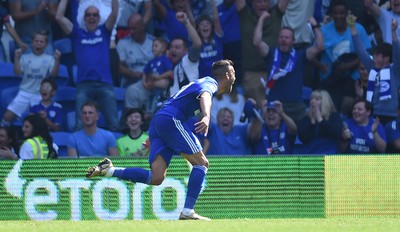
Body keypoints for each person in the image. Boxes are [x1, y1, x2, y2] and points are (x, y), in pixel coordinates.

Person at [86, 59, 236, 220]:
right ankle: (187, 212)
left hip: (161, 121)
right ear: (227, 75)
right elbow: (205, 95)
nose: (235, 75)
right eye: (234, 72)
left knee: (156, 177)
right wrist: (206, 116)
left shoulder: (200, 82)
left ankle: (109, 170)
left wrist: (158, 133)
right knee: (202, 163)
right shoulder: (210, 83)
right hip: (170, 120)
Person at [56, 0, 119, 131]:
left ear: (99, 18)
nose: (91, 17)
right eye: (88, 15)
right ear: (84, 18)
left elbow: (114, 13)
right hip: (84, 86)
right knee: (80, 125)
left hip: (105, 84)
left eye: (95, 15)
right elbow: (59, 17)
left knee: (113, 124)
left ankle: (115, 152)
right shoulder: (77, 34)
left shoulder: (104, 32)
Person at [253, 14, 324, 123]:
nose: (283, 40)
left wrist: (315, 26)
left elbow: (320, 46)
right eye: (281, 37)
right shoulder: (271, 53)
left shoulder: (301, 55)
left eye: (287, 37)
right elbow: (257, 43)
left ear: (293, 41)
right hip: (274, 104)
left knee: (306, 131)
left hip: (296, 106)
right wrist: (261, 19)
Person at [318, 0, 371, 115]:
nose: (338, 16)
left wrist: (348, 66)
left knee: (348, 104)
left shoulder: (359, 28)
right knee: (328, 109)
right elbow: (314, 53)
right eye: (335, 13)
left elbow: (366, 55)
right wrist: (319, 65)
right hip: (330, 77)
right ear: (330, 14)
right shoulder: (324, 31)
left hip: (352, 77)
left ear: (347, 13)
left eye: (342, 13)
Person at [235, 0, 289, 108]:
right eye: (259, 1)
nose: (263, 4)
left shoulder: (276, 14)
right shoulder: (245, 14)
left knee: (275, 112)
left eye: (266, 1)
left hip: (274, 73)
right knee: (257, 116)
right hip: (252, 75)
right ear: (252, 3)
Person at [1, 31, 61, 127]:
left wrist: (57, 60)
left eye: (42, 42)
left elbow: (54, 75)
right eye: (36, 41)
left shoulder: (50, 58)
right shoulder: (24, 57)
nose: (39, 43)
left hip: (40, 95)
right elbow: (17, 73)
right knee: (8, 116)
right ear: (32, 43)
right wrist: (16, 58)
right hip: (25, 92)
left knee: (37, 121)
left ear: (46, 45)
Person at [350, 15, 400, 125]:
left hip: (391, 116)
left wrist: (393, 31)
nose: (374, 56)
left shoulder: (395, 72)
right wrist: (352, 26)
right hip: (373, 114)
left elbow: (397, 53)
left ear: (386, 58)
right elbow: (360, 50)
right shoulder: (371, 68)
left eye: (377, 55)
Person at [296, 89, 343, 154]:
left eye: (317, 99)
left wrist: (320, 120)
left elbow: (336, 133)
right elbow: (303, 138)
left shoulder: (334, 116)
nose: (313, 101)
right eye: (312, 99)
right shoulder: (305, 119)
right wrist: (312, 121)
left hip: (329, 156)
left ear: (325, 102)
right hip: (310, 156)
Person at [117, 13, 155, 87]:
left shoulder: (154, 42)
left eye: (134, 28)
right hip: (131, 80)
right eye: (129, 28)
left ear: (142, 27)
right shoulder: (123, 43)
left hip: (150, 80)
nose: (131, 32)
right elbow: (119, 66)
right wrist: (133, 74)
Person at [142, 37, 173, 109]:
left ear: (163, 48)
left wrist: (159, 77)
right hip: (150, 87)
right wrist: (144, 82)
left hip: (161, 88)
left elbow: (170, 72)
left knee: (157, 102)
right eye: (152, 46)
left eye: (156, 46)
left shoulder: (165, 59)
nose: (153, 48)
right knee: (149, 101)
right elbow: (144, 72)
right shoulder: (151, 61)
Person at [197, 0, 223, 78]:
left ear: (212, 27)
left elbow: (216, 19)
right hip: (204, 83)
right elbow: (190, 21)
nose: (205, 26)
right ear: (198, 29)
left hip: (219, 80)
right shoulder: (196, 43)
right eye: (202, 24)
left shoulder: (217, 38)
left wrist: (212, 1)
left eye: (208, 24)